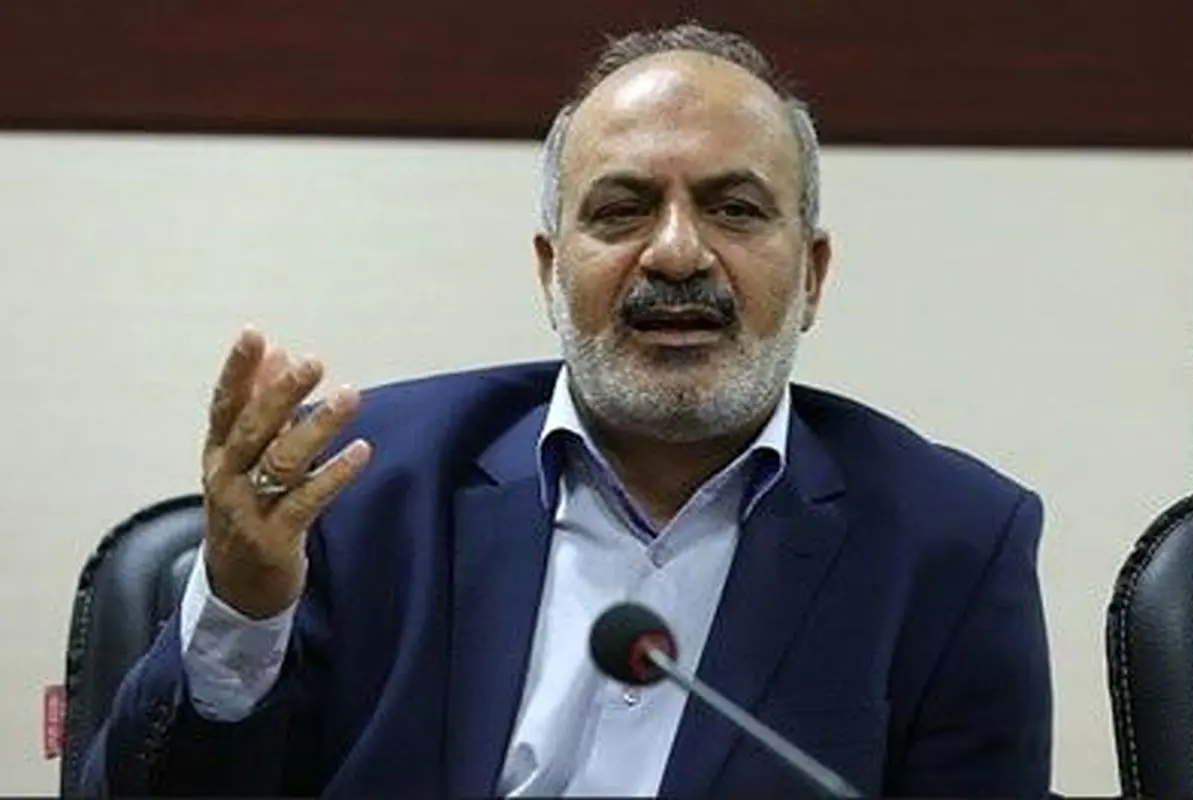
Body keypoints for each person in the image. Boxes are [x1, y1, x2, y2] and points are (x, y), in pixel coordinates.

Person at [79, 22, 1052, 797]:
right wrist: (243, 609)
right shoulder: (361, 487)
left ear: (811, 276)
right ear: (551, 270)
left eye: (736, 208)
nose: (677, 253)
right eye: (622, 209)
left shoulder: (952, 545)